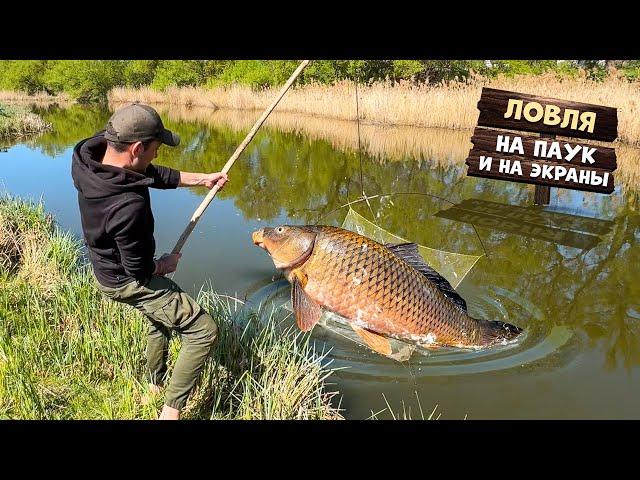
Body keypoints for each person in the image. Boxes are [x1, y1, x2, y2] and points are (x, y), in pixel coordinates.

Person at [71, 103, 228, 420]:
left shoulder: (91, 159)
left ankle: (154, 386)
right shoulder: (127, 207)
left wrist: (202, 179)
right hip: (124, 280)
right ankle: (170, 412)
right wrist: (164, 265)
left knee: (159, 319)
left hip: (106, 268)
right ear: (138, 147)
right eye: (155, 148)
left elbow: (149, 174)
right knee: (202, 329)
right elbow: (139, 271)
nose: (157, 155)